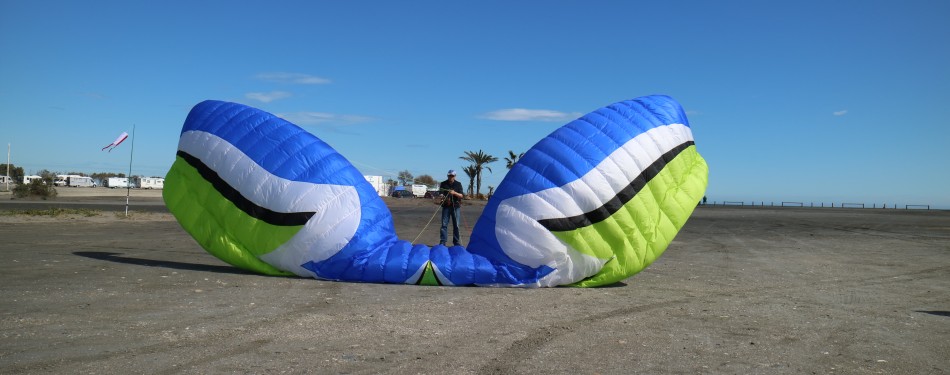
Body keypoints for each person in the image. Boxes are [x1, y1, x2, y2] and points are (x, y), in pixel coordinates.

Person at [439, 169, 465, 246]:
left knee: (456, 225)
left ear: (455, 176)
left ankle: (456, 241)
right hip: (446, 206)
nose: (450, 177)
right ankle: (443, 241)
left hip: (455, 207)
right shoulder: (443, 183)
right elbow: (440, 193)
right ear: (447, 175)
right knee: (444, 225)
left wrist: (454, 193)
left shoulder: (458, 184)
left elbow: (461, 195)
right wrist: (442, 196)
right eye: (449, 175)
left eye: (452, 176)